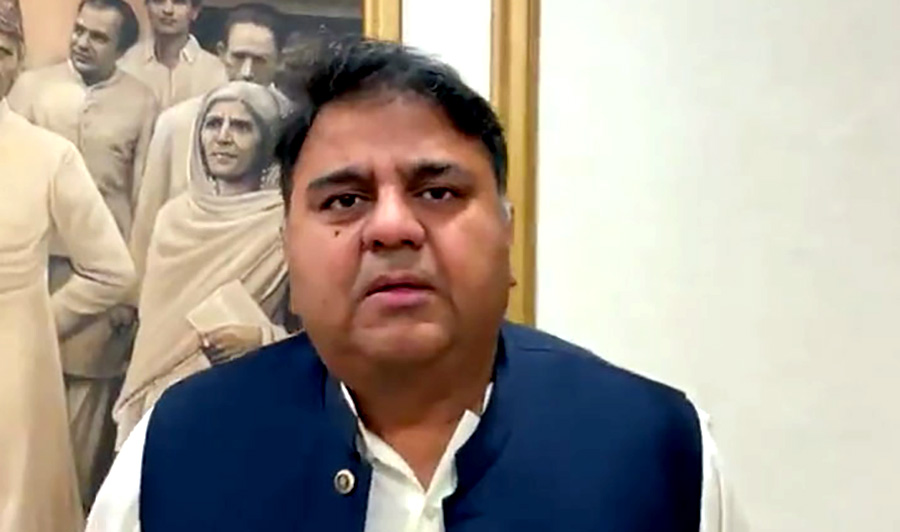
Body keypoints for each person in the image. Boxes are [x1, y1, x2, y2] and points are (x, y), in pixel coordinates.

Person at [89, 39, 732, 532]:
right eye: (345, 200)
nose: (392, 227)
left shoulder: (658, 450)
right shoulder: (176, 452)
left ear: (507, 235)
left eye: (438, 192)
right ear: (288, 252)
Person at [7, 0, 158, 507]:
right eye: (80, 31)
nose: (83, 43)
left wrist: (128, 301)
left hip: (83, 300)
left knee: (58, 458)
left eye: (99, 37)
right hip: (30, 280)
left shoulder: (139, 103)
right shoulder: (34, 89)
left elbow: (143, 202)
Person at [111, 81, 294, 447]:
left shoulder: (285, 223)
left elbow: (316, 333)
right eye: (213, 124)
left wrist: (262, 339)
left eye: (241, 127)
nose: (223, 137)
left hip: (241, 398)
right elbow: (153, 330)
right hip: (160, 401)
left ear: (267, 142)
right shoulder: (173, 217)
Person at [129, 3, 286, 303]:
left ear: (280, 61)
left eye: (260, 60)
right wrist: (133, 299)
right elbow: (148, 220)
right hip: (184, 290)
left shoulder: (296, 127)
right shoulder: (177, 123)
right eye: (238, 57)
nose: (247, 72)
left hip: (263, 295)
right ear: (222, 53)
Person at [118, 0, 225, 109]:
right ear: (147, 6)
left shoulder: (216, 71)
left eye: (178, 2)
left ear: (194, 11)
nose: (168, 10)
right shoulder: (126, 65)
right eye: (159, 1)